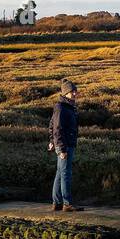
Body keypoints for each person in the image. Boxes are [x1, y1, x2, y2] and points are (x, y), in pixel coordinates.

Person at [49, 78, 80, 212]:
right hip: (65, 145)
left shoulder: (67, 107)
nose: (75, 94)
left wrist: (52, 141)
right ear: (65, 93)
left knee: (60, 173)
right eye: (72, 92)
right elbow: (57, 129)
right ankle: (66, 204)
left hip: (65, 144)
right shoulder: (61, 108)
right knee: (65, 173)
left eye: (75, 91)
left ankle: (57, 203)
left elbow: (51, 126)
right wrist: (61, 148)